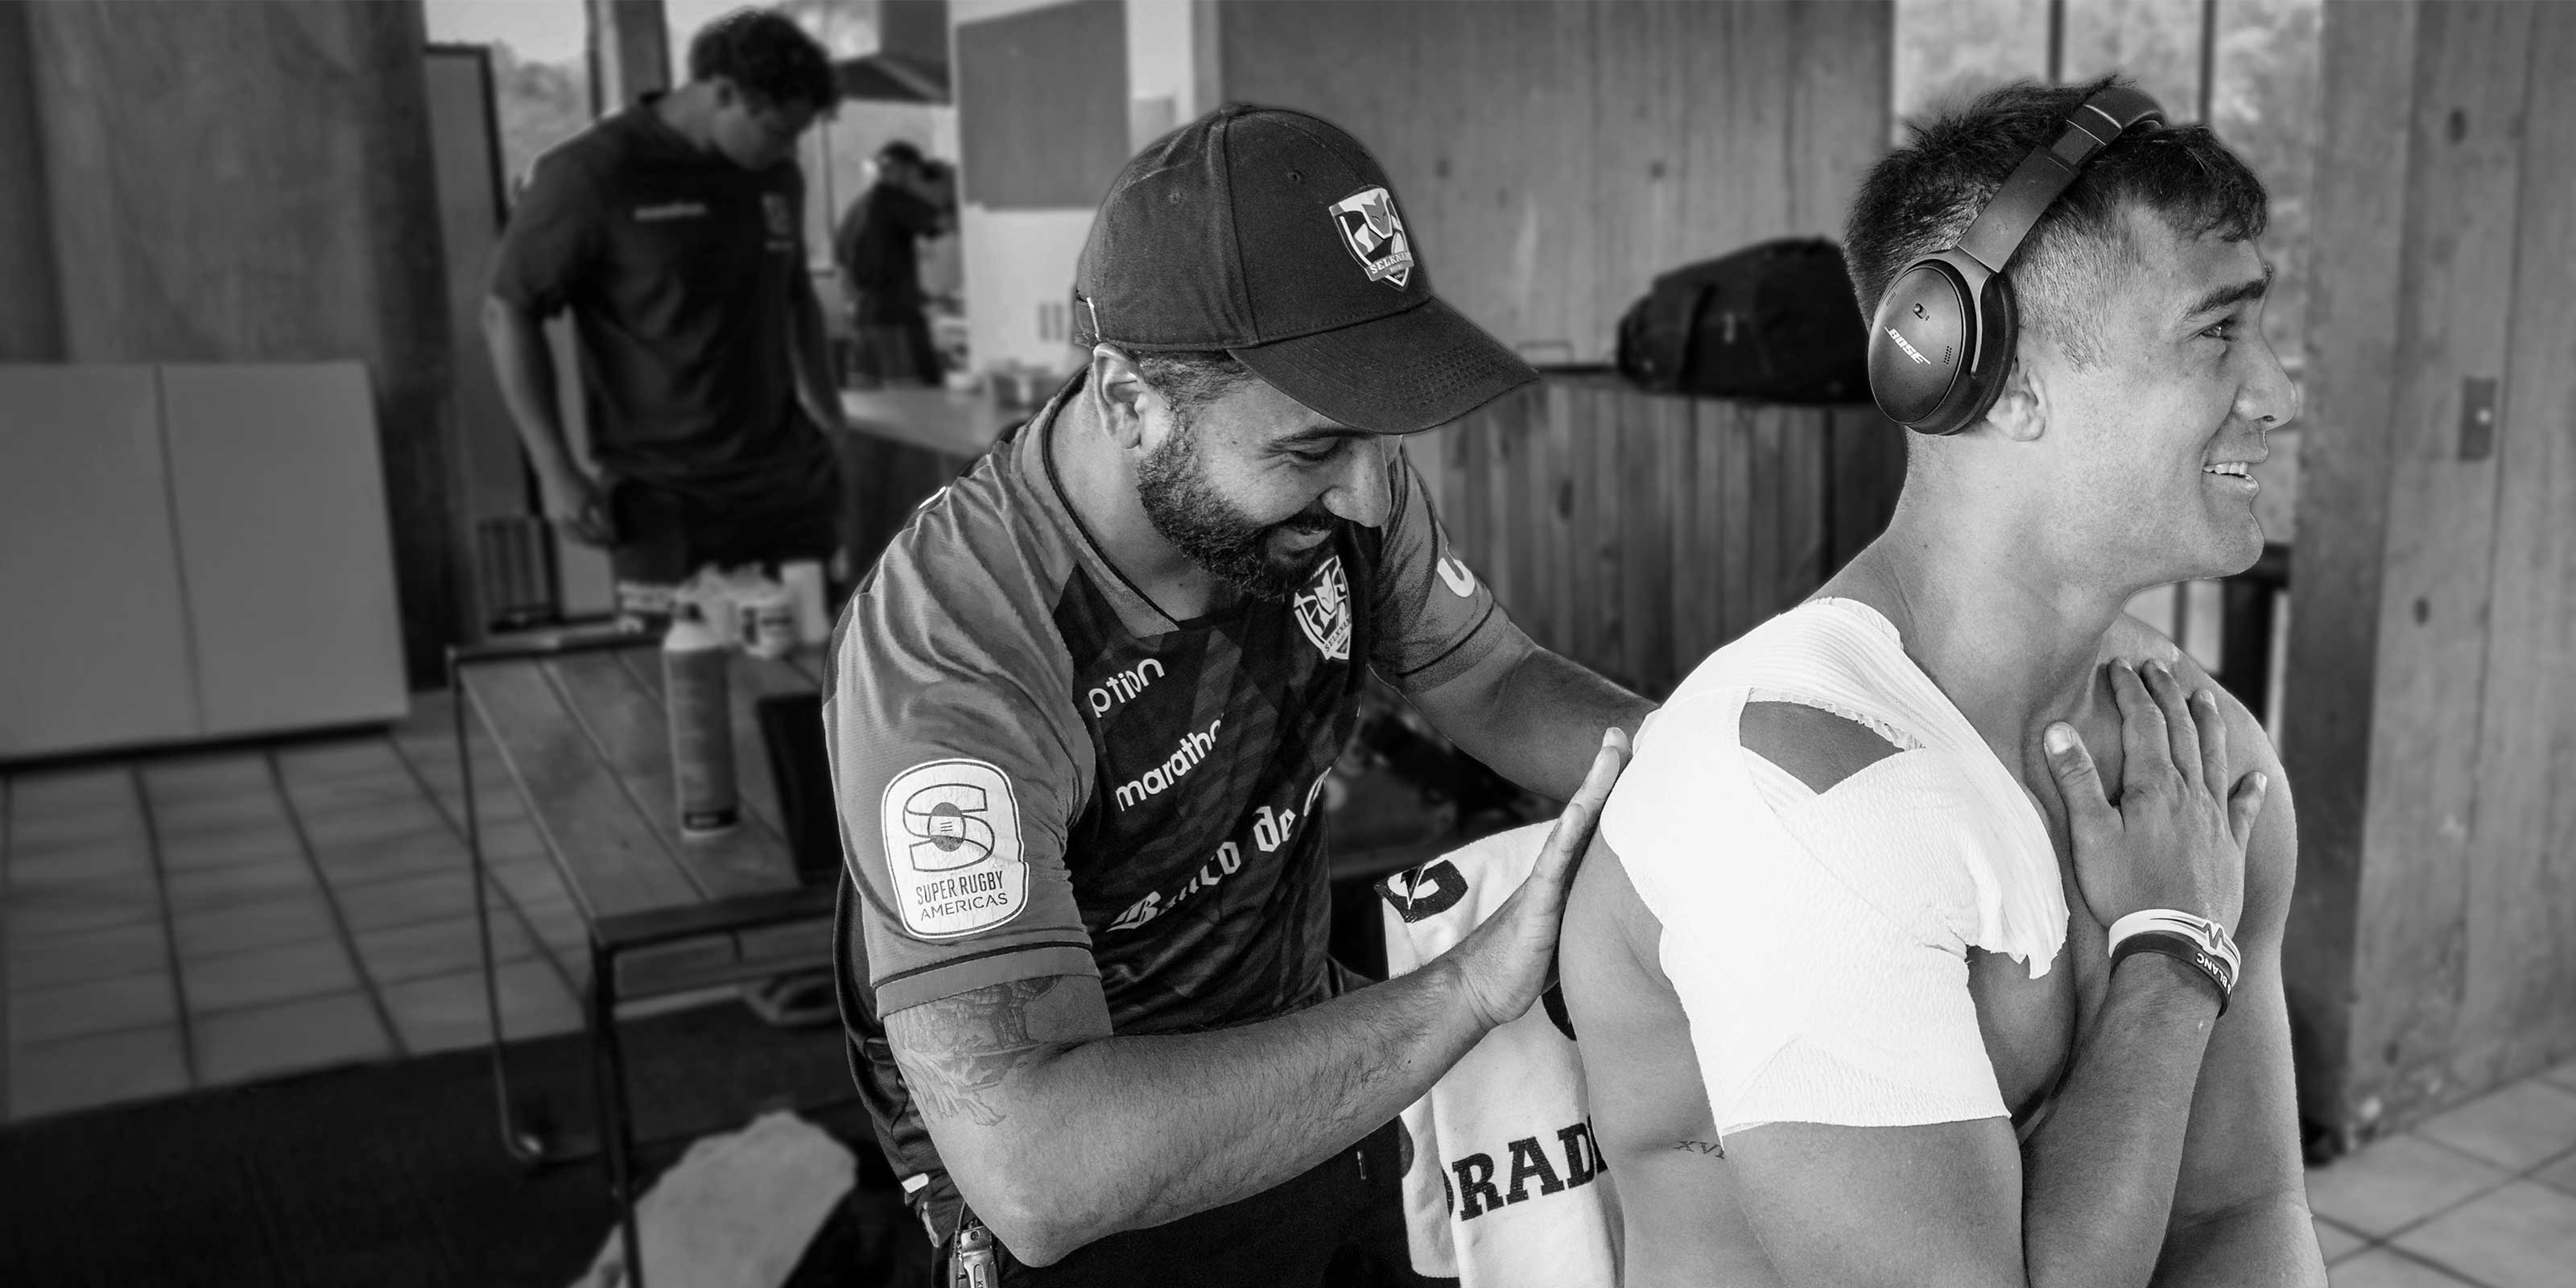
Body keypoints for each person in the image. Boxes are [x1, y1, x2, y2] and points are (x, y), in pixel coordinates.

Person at [824, 104, 1651, 1283]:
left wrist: (1720, 767)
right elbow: (1041, 1169)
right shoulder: (958, 654)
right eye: (1314, 451)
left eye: (1383, 439)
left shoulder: (1339, 484)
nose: (1371, 498)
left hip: (1318, 1066)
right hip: (1103, 1196)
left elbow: (1489, 673)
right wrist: (1467, 989)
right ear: (1126, 400)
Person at [1558, 77, 2325, 1286]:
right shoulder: (1792, 804)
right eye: (2218, 333)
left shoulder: (2198, 759)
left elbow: (2238, 1212)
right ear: (1996, 377)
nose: (2277, 394)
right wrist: (2171, 960)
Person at [483, 8, 852, 628]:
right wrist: (556, 469)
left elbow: (794, 298)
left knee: (818, 681)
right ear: (725, 92)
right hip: (666, 497)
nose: (787, 152)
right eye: (777, 132)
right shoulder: (593, 174)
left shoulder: (774, 175)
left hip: (788, 485)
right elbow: (507, 309)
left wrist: (832, 424)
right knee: (686, 692)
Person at [833, 140, 952, 386]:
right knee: (911, 395)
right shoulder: (893, 200)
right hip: (894, 318)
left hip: (863, 318)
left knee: (870, 398)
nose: (914, 179)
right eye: (914, 173)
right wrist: (949, 190)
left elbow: (844, 260)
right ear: (903, 169)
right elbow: (942, 224)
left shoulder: (860, 206)